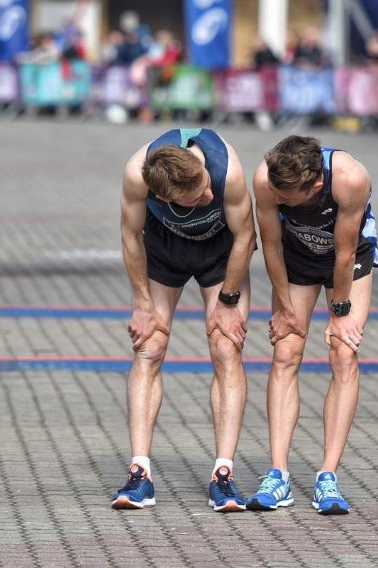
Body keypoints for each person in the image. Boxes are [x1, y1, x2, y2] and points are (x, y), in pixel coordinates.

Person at [113, 128, 257, 512]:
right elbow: (130, 236)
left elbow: (247, 236)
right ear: (165, 196)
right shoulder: (136, 174)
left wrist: (227, 300)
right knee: (149, 346)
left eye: (208, 186)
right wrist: (143, 304)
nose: (210, 196)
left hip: (221, 254)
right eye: (198, 198)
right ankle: (139, 473)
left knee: (226, 347)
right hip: (165, 252)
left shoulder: (227, 169)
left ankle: (223, 475)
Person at [249, 135, 378, 515]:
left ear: (316, 186)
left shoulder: (350, 179)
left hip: (348, 258)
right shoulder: (266, 180)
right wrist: (285, 309)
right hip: (295, 256)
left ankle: (328, 475)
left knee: (344, 354)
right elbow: (271, 246)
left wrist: (339, 313)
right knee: (286, 351)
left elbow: (344, 254)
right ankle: (278, 473)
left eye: (287, 196)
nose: (278, 198)